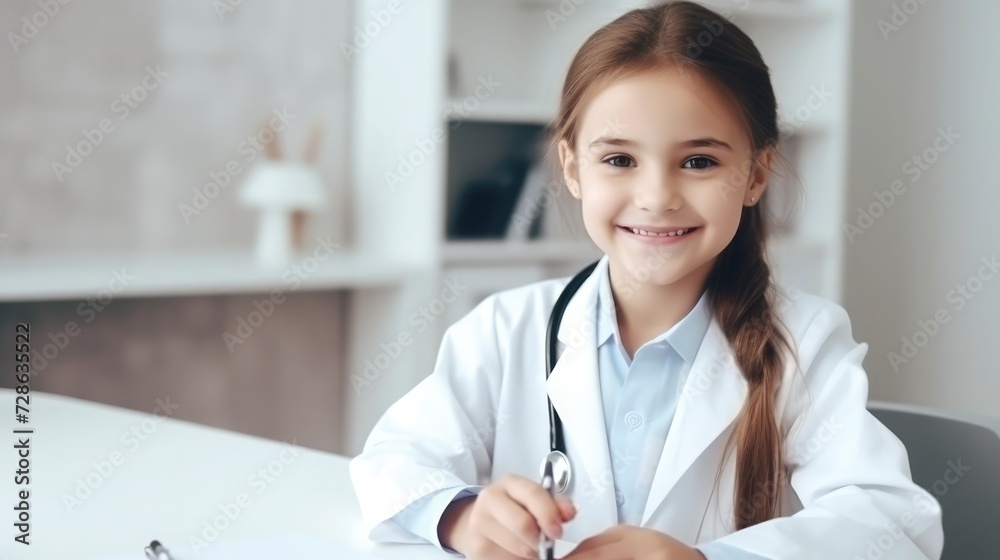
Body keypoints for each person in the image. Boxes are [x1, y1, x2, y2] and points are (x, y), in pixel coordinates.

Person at [350, 2, 944, 559]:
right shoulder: (506, 329)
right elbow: (393, 461)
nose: (657, 197)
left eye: (699, 161)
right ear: (573, 167)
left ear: (757, 174)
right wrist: (462, 516)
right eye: (619, 160)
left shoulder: (803, 343)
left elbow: (892, 524)